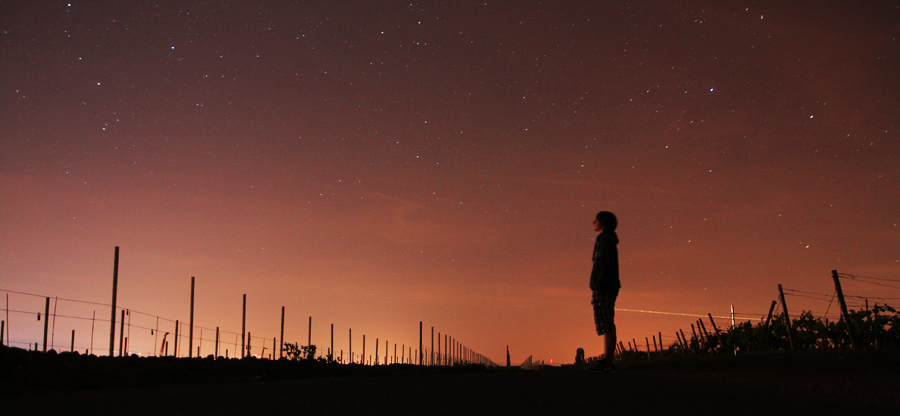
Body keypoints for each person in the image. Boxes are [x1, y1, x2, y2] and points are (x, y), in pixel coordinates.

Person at [589, 211, 619, 373]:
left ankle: (608, 362)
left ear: (603, 223)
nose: (593, 222)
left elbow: (606, 266)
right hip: (603, 287)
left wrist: (599, 285)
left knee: (607, 324)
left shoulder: (606, 241)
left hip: (605, 288)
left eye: (596, 220)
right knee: (605, 323)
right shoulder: (603, 241)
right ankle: (607, 361)